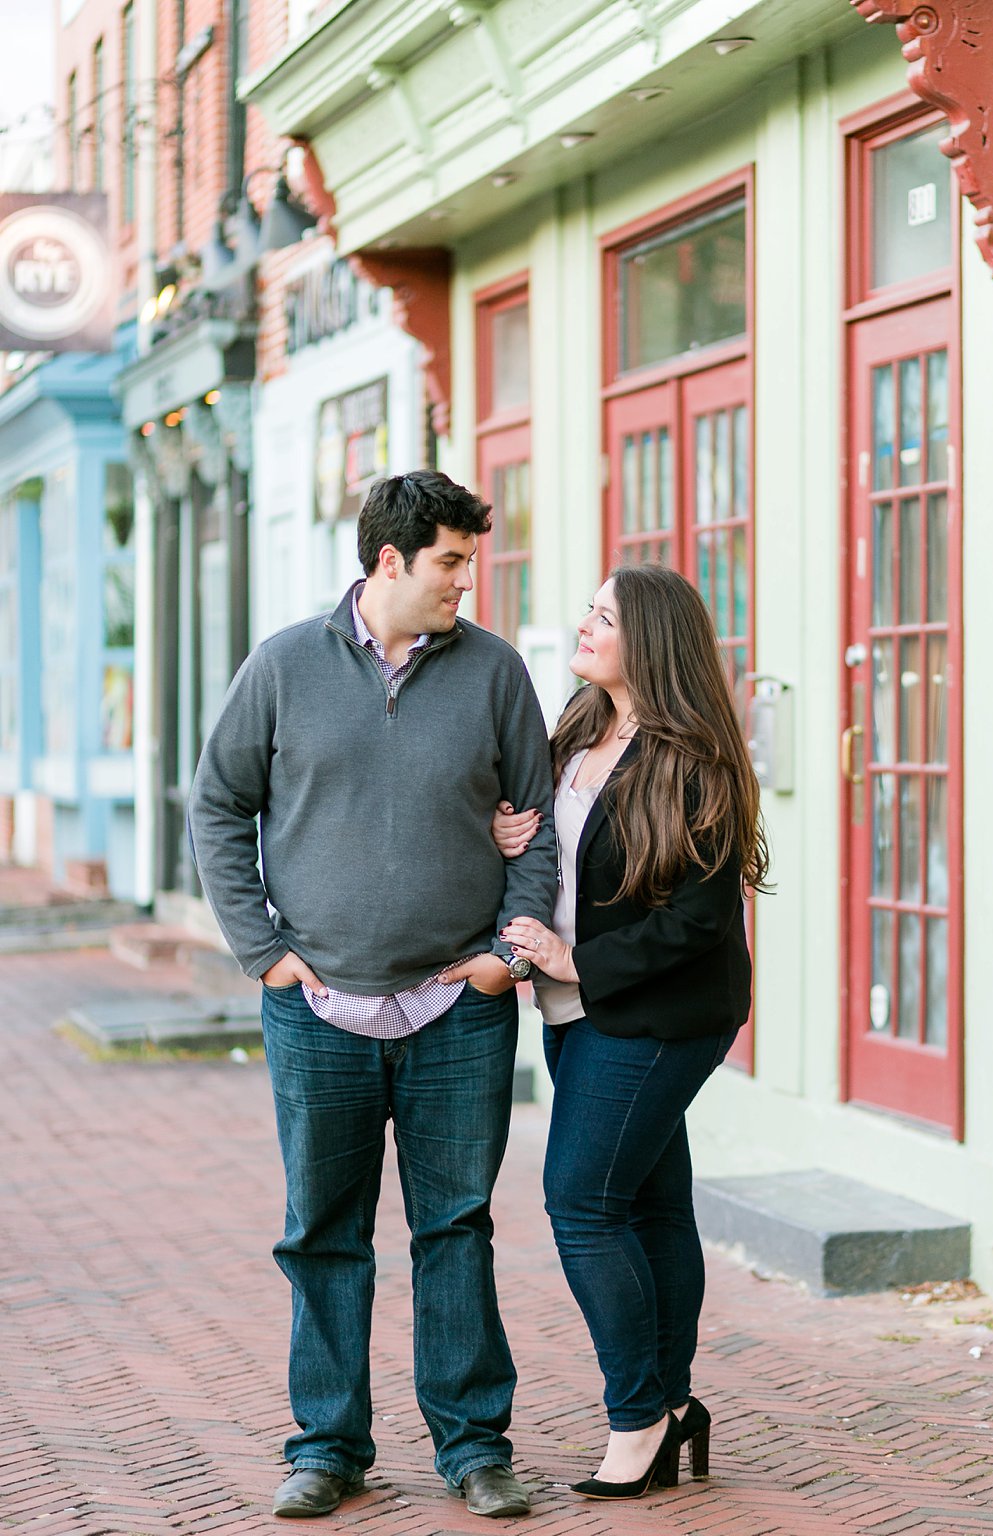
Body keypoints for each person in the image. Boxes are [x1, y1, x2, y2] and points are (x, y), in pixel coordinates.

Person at [186, 470, 558, 1520]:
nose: (464, 581)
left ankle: (475, 1447)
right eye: (449, 561)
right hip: (317, 1012)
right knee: (323, 1232)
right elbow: (219, 807)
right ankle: (327, 1447)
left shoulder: (494, 673)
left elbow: (536, 830)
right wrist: (262, 952)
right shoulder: (283, 668)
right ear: (389, 561)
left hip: (459, 1010)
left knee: (457, 1226)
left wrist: (505, 960)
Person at [488, 565, 766, 1501]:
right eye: (589, 611)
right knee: (649, 1204)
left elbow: (697, 922)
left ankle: (637, 1413)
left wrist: (577, 963)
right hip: (579, 1012)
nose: (585, 625)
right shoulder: (575, 728)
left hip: (660, 1014)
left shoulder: (696, 761)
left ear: (649, 638)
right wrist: (507, 841)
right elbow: (554, 848)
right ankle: (678, 1405)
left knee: (579, 1199)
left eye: (604, 617)